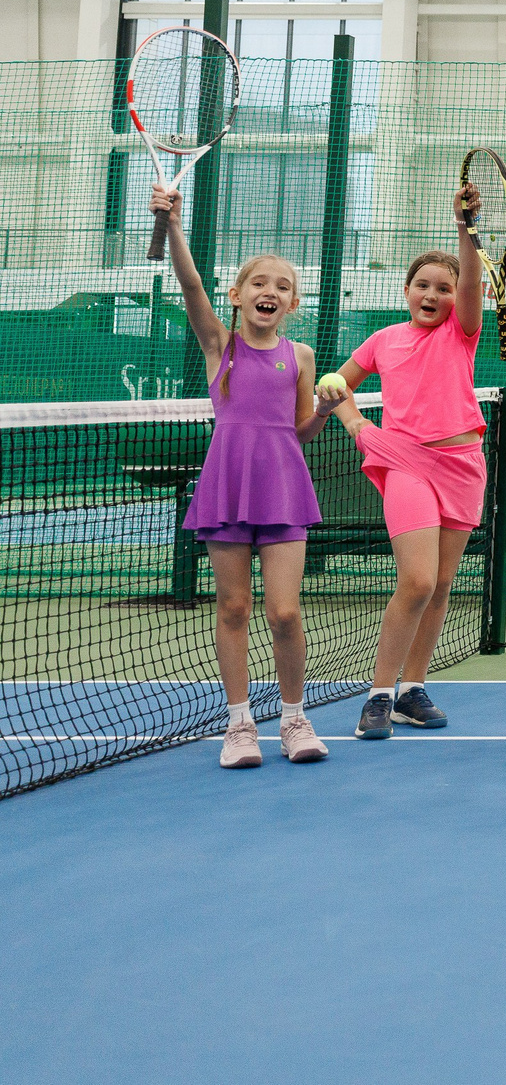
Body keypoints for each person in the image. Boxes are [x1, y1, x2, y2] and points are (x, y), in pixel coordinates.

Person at [153, 183, 335, 769]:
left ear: (292, 304)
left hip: (284, 487)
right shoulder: (220, 344)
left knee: (284, 611)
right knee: (232, 608)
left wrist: (326, 413)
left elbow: (298, 429)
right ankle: (239, 725)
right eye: (260, 283)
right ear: (237, 296)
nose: (271, 291)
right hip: (225, 486)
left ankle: (293, 717)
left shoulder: (300, 356)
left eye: (283, 287)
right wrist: (175, 226)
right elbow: (189, 284)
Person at [318, 184, 487, 742]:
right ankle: (379, 695)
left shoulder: (462, 334)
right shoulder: (383, 340)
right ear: (406, 290)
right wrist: (356, 426)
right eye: (423, 285)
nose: (433, 294)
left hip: (462, 466)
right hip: (405, 462)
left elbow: (471, 285)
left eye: (445, 287)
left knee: (440, 585)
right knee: (415, 581)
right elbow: (336, 384)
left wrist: (465, 228)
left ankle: (413, 689)